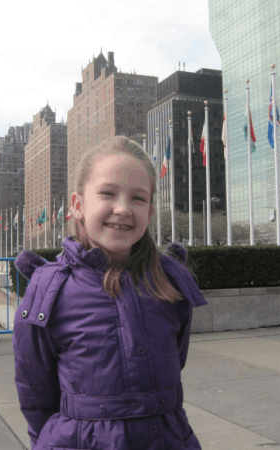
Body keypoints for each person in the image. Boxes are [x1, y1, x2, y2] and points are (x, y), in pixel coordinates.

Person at [13, 136, 207, 450]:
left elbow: (176, 358)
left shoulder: (169, 281)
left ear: (150, 210)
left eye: (138, 198)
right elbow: (35, 392)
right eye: (107, 193)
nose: (123, 208)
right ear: (78, 206)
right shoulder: (49, 289)